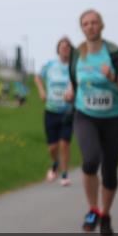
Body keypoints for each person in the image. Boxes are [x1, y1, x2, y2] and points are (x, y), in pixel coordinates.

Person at [65, 9, 118, 236]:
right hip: (85, 115)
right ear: (82, 28)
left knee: (110, 172)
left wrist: (113, 78)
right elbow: (74, 81)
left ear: (102, 25)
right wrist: (70, 92)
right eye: (86, 23)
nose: (90, 26)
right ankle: (93, 209)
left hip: (113, 118)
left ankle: (106, 215)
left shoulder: (114, 53)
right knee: (90, 159)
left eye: (94, 22)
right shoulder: (77, 54)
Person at [35, 37, 74, 186]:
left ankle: (64, 174)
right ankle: (55, 164)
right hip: (51, 110)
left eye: (68, 47)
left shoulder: (74, 67)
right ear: (58, 50)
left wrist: (73, 92)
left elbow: (80, 82)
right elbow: (37, 77)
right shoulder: (50, 65)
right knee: (52, 147)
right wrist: (41, 91)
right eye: (62, 47)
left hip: (68, 111)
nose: (65, 49)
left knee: (64, 143)